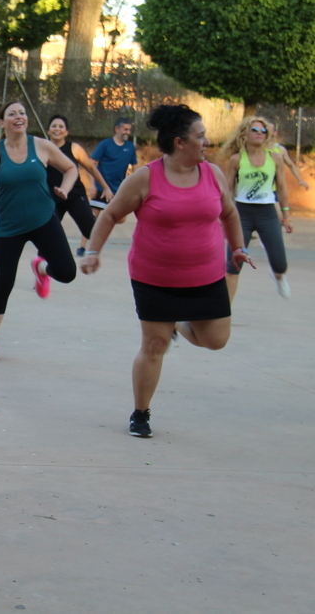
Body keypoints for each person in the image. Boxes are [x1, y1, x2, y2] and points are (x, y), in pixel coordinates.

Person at [80, 104, 252, 438]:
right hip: (154, 278)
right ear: (179, 142)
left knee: (216, 340)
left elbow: (229, 213)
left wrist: (239, 247)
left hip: (206, 276)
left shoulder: (213, 174)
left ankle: (182, 323)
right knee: (155, 345)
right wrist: (92, 251)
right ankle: (140, 413)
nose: (207, 142)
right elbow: (111, 214)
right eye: (200, 136)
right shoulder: (146, 178)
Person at [0, 101, 78, 362]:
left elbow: (70, 168)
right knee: (3, 283)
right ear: (2, 123)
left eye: (22, 113)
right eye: (12, 114)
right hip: (9, 228)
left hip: (44, 219)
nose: (18, 117)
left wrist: (65, 188)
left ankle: (41, 269)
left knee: (67, 272)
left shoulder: (42, 146)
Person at [221, 117, 292, 300]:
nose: (260, 133)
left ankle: (277, 276)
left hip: (267, 213)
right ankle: (224, 313)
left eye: (264, 131)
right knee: (233, 266)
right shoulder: (237, 160)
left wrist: (286, 216)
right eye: (255, 130)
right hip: (242, 214)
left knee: (280, 264)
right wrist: (223, 217)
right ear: (245, 133)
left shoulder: (275, 158)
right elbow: (228, 190)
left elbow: (282, 188)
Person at [46, 114, 114, 254]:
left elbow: (90, 168)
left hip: (75, 196)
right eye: (54, 126)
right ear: (48, 131)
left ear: (66, 131)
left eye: (61, 126)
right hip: (52, 199)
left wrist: (105, 187)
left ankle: (91, 255)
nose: (57, 129)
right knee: (48, 235)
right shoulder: (42, 148)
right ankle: (42, 264)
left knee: (92, 231)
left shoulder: (74, 148)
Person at [89, 117, 137, 208]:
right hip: (101, 187)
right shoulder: (105, 144)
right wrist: (91, 184)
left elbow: (135, 167)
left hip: (118, 189)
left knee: (120, 218)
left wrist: (135, 186)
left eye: (129, 130)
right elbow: (91, 163)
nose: (128, 132)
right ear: (116, 129)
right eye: (125, 129)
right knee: (94, 216)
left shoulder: (131, 147)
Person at [269, 121, 309, 191]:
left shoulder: (280, 150)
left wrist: (300, 180)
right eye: (264, 130)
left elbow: (291, 165)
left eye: (268, 130)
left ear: (275, 133)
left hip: (271, 190)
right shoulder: (253, 148)